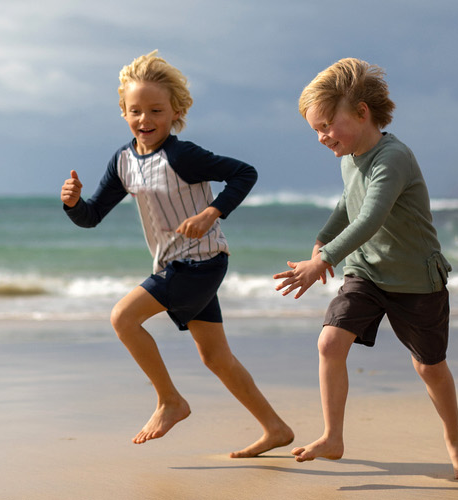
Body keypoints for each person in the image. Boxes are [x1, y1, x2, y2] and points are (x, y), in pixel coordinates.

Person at [61, 50, 292, 458]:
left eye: (156, 110)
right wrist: (73, 203)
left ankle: (170, 401)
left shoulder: (183, 156)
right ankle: (276, 428)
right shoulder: (124, 161)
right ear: (123, 112)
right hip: (178, 264)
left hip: (200, 262)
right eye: (135, 111)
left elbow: (244, 173)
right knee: (217, 357)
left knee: (123, 317)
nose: (145, 120)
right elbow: (92, 216)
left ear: (174, 112)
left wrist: (211, 212)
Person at [273, 57, 458, 479]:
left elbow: (370, 217)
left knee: (429, 367)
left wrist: (322, 261)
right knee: (330, 343)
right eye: (315, 129)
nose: (321, 137)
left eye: (326, 125)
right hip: (366, 273)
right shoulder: (349, 157)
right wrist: (322, 240)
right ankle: (333, 436)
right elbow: (347, 204)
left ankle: (454, 437)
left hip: (415, 280)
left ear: (362, 112)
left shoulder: (393, 158)